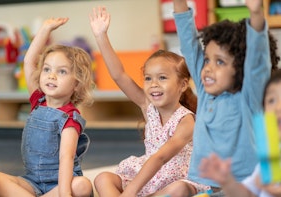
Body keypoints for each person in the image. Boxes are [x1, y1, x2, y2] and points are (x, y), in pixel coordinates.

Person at [154, 0, 280, 196]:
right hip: (213, 188)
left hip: (245, 188)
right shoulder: (206, 91)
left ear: (241, 69)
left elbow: (257, 57)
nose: (209, 68)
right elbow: (189, 41)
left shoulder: (249, 95)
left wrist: (256, 14)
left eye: (220, 62)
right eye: (207, 60)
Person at [89, 6, 199, 197]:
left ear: (182, 85)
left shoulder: (187, 120)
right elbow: (119, 75)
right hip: (146, 177)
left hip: (170, 181)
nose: (154, 84)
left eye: (162, 78)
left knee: (180, 189)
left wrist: (130, 191)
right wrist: (101, 36)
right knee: (102, 178)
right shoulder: (147, 105)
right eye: (148, 78)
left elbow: (161, 157)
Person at [0, 18, 94, 197]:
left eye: (61, 71)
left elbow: (66, 158)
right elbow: (29, 61)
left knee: (83, 186)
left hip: (62, 183)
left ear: (76, 84)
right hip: (32, 181)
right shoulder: (38, 100)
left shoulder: (70, 118)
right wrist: (45, 29)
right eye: (47, 69)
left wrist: (65, 193)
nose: (51, 76)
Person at [199, 69, 281, 197]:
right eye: (271, 100)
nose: (278, 107)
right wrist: (227, 181)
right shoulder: (271, 153)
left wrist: (275, 191)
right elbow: (247, 194)